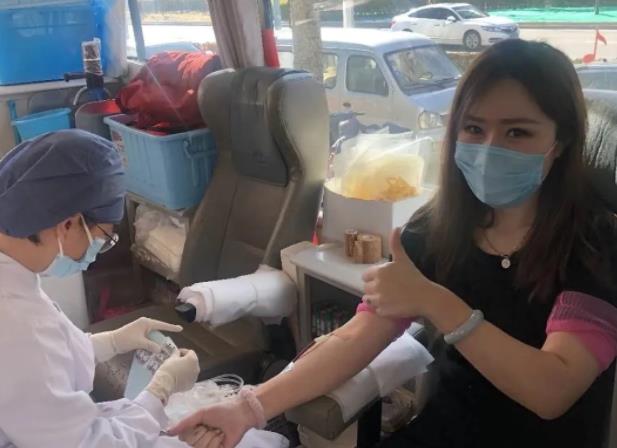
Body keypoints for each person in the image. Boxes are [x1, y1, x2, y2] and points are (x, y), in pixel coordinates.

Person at [169, 39, 617, 448]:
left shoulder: (595, 243)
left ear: (561, 141)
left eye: (517, 132)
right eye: (474, 128)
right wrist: (248, 408)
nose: (488, 149)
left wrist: (435, 301)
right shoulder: (440, 228)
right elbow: (357, 337)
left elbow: (552, 390)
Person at [0, 130, 207, 447]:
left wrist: (111, 341)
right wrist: (160, 392)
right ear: (68, 224)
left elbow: (47, 363)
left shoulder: (14, 276)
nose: (97, 251)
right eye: (103, 238)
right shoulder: (20, 326)